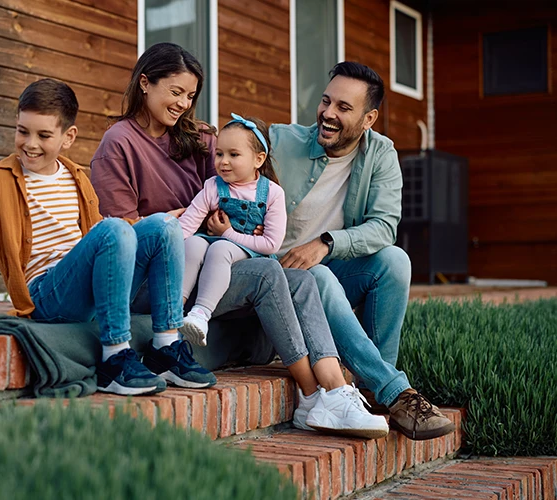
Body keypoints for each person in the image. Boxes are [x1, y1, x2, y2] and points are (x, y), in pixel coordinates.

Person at [92, 42, 388, 438]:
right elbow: (119, 236)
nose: (183, 103)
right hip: (155, 278)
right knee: (268, 274)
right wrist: (167, 221)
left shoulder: (197, 140)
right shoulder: (119, 142)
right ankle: (313, 391)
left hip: (208, 264)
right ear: (145, 83)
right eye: (175, 92)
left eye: (190, 95)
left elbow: (242, 167)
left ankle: (330, 395)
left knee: (300, 277)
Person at [0, 78, 216, 397]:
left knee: (163, 226)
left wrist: (154, 224)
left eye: (44, 135)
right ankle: (115, 358)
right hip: (45, 293)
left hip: (89, 284)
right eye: (23, 131)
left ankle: (165, 347)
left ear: (68, 137)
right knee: (114, 228)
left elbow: (105, 237)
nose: (30, 143)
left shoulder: (76, 176)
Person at [270, 61, 455, 440]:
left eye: (343, 107)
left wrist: (326, 243)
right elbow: (230, 150)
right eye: (326, 102)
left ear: (369, 118)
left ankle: (373, 386)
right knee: (315, 275)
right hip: (277, 282)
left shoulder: (382, 154)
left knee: (394, 261)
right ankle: (396, 392)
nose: (328, 114)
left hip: (327, 268)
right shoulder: (280, 141)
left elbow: (385, 227)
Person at [178, 114, 287, 347]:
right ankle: (175, 306)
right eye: (219, 154)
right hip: (216, 241)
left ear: (258, 159)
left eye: (234, 155)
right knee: (194, 243)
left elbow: (271, 244)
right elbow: (188, 222)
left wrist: (227, 233)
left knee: (221, 248)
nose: (223, 161)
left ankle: (201, 313)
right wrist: (164, 241)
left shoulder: (272, 193)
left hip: (250, 253)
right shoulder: (213, 186)